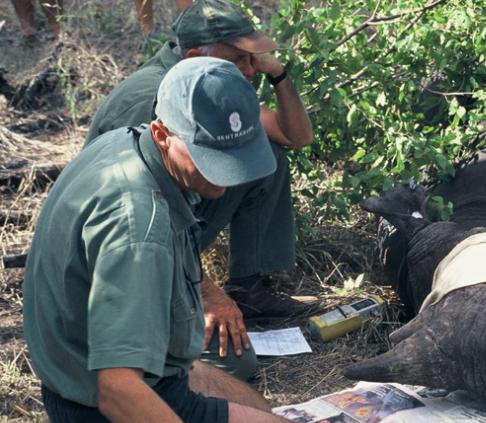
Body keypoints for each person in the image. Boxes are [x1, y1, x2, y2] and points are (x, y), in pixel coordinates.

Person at [23, 56, 365, 423]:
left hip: (96, 375)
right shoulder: (138, 228)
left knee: (264, 412)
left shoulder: (126, 145)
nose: (223, 181)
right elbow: (119, 390)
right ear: (163, 133)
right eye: (208, 160)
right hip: (105, 405)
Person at [86, 0, 315, 379]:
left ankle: (249, 287)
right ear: (195, 54)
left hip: (171, 223)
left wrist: (278, 74)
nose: (248, 70)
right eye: (239, 59)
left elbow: (296, 136)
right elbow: (144, 214)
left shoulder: (207, 79)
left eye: (250, 59)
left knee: (265, 156)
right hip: (131, 250)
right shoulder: (147, 99)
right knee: (236, 364)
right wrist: (205, 292)